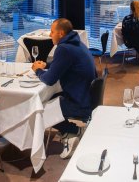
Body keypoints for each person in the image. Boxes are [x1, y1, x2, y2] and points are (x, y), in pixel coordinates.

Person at [32, 18, 96, 159]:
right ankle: (71, 131)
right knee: (49, 98)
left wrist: (37, 71)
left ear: (60, 33)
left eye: (52, 32)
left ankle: (72, 132)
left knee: (39, 109)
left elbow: (49, 80)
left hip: (80, 102)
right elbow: (65, 65)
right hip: (86, 96)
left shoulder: (63, 48)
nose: (50, 35)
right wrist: (47, 67)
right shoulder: (77, 43)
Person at [121, 0, 139, 65]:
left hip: (129, 42)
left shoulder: (126, 19)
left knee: (135, 41)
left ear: (131, 8)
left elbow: (123, 32)